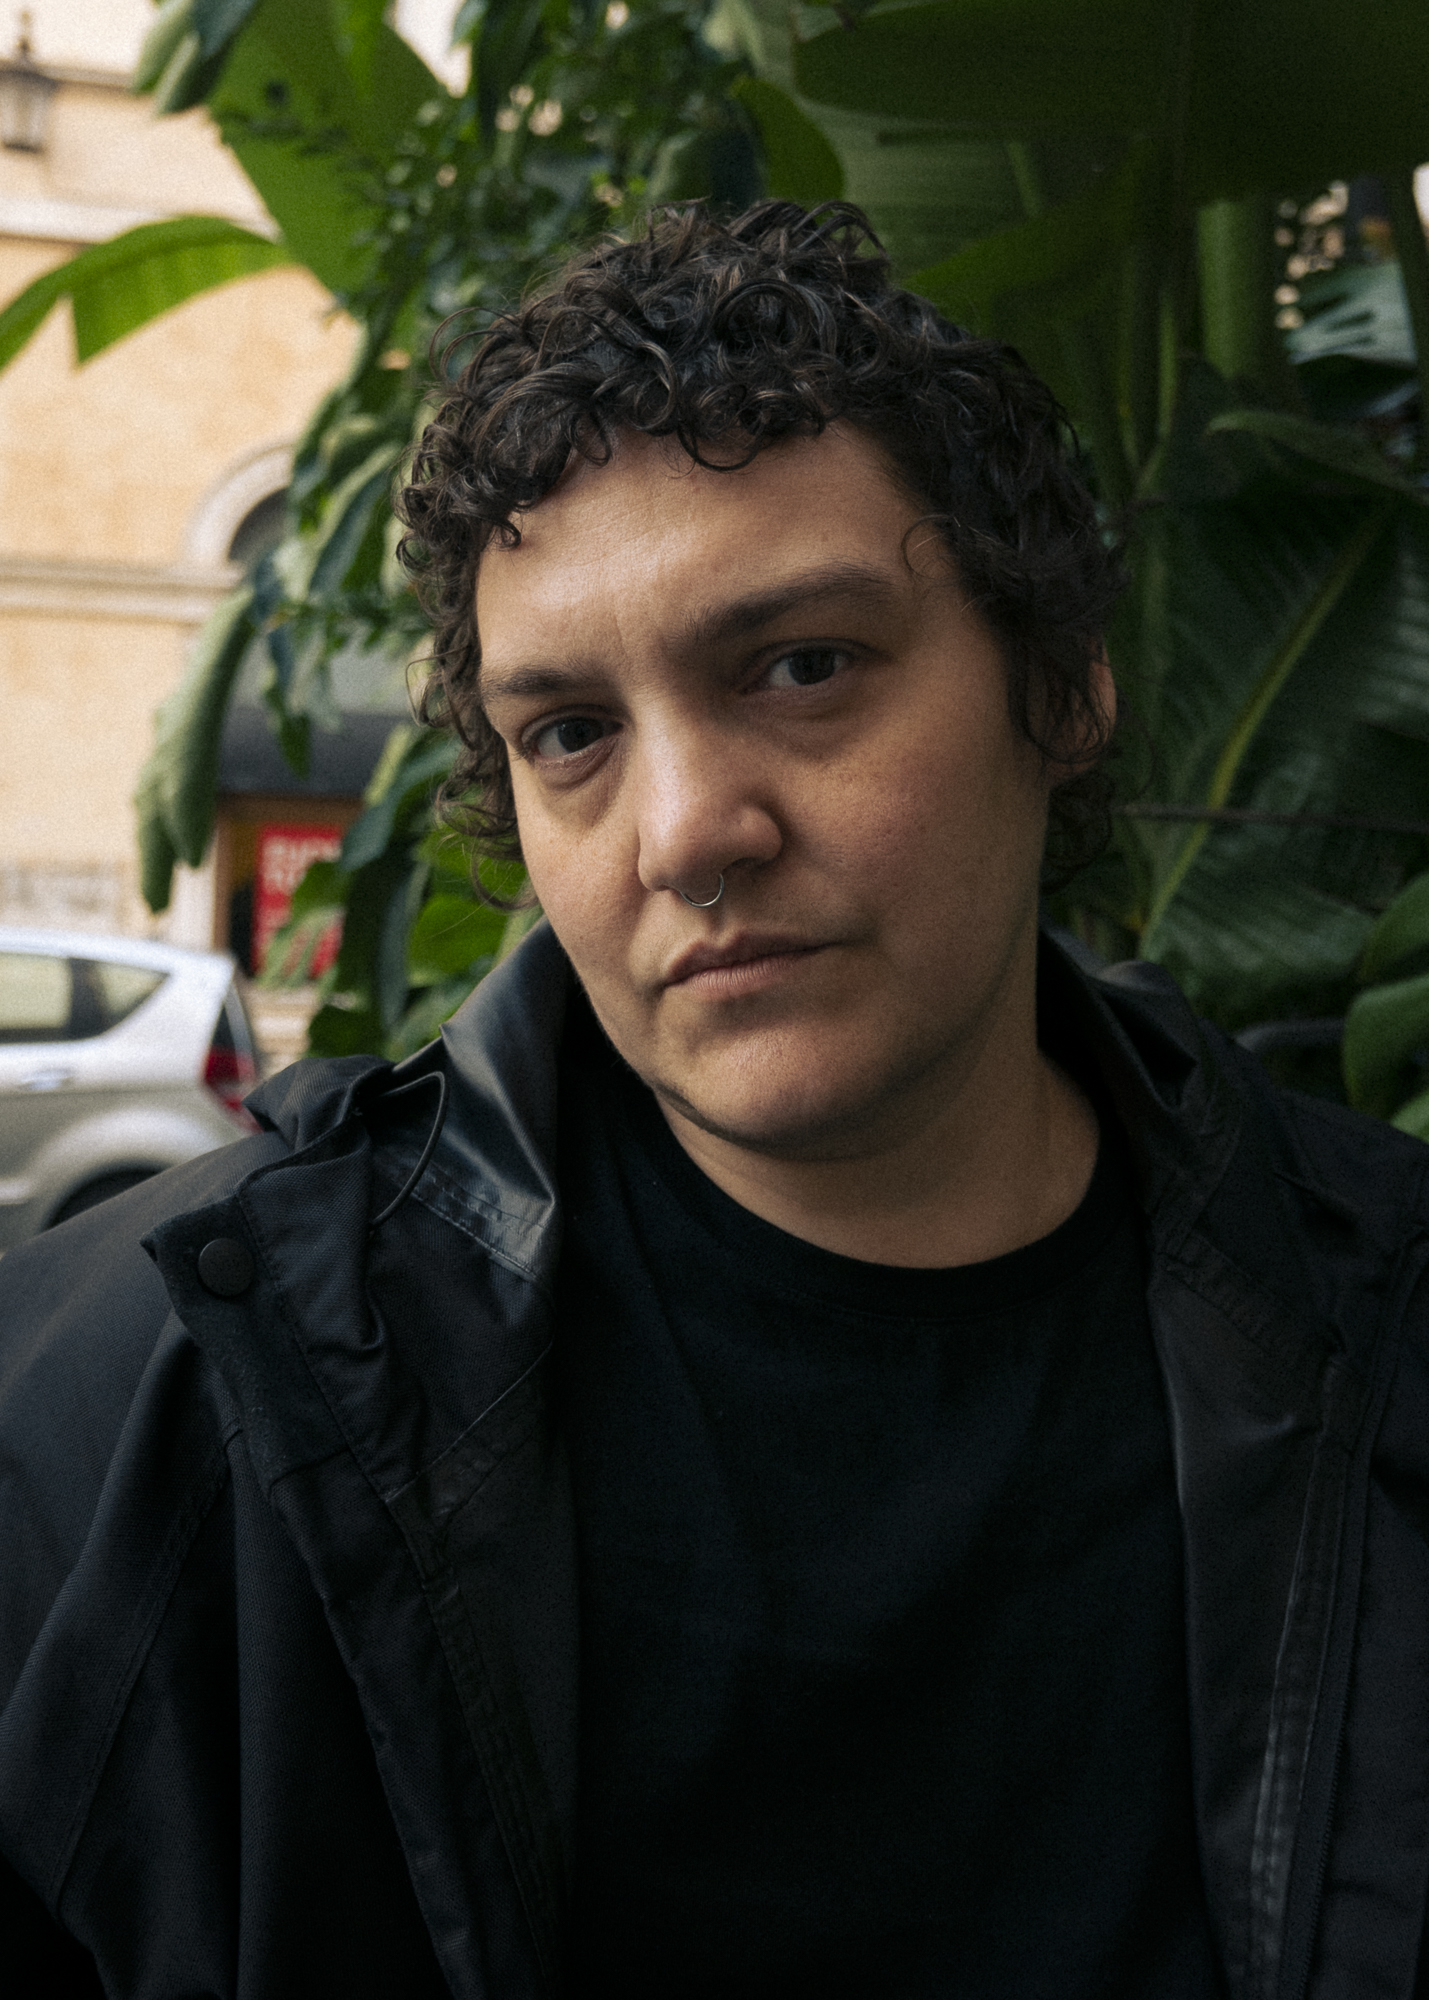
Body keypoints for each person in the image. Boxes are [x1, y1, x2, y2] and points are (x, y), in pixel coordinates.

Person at [2, 200, 1427, 2000]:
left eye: (802, 666)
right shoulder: (180, 1408)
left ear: (1058, 690)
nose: (685, 834)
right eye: (570, 734)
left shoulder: (1385, 1337)